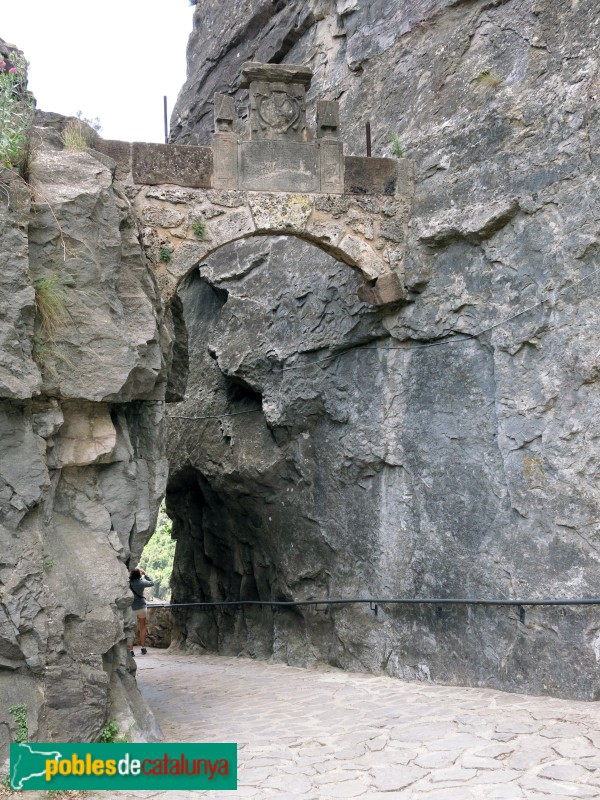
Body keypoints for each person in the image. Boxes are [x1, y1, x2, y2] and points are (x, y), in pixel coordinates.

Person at [129, 567, 154, 656]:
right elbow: (151, 583)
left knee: (131, 629)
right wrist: (145, 574)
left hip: (132, 608)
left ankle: (131, 651)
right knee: (142, 627)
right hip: (142, 607)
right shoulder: (142, 583)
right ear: (139, 574)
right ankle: (143, 648)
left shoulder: (128, 583)